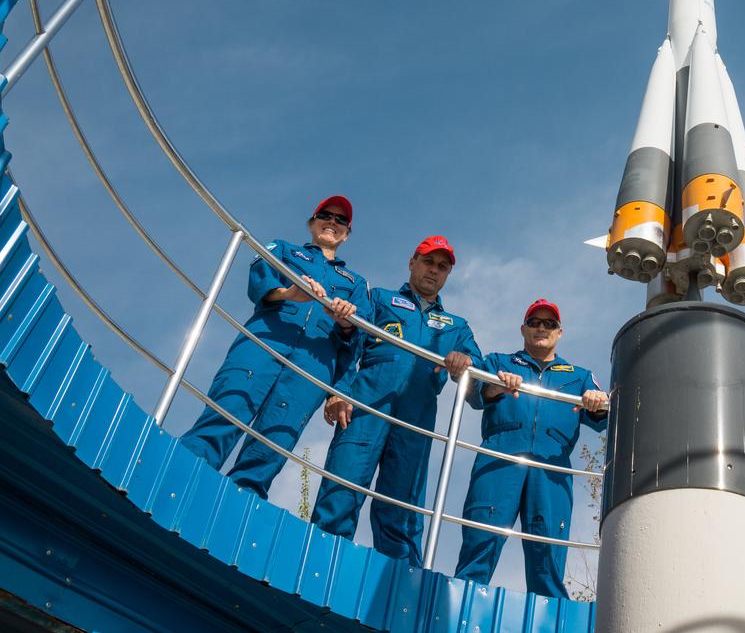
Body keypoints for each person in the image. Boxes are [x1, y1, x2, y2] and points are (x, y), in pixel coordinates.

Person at [181, 196, 370, 497]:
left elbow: (357, 340)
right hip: (264, 341)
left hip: (314, 365)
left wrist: (346, 323)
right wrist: (288, 293)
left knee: (272, 444)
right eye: (325, 215)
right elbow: (260, 277)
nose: (332, 222)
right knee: (226, 410)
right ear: (312, 223)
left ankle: (239, 507)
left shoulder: (356, 283)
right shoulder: (283, 249)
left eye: (341, 220)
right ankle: (175, 482)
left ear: (347, 234)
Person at [310, 235, 481, 564]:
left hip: (416, 420)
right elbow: (349, 345)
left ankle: (399, 585)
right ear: (412, 262)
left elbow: (479, 375)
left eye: (442, 267)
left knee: (402, 508)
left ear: (447, 275)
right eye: (428, 262)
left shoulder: (457, 327)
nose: (434, 270)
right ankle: (319, 567)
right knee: (341, 490)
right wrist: (338, 392)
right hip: (365, 407)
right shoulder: (380, 299)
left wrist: (467, 362)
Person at [452, 300, 608, 598]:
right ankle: (457, 606)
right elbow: (472, 392)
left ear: (559, 332)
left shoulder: (579, 376)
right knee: (481, 538)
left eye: (549, 324)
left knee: (548, 552)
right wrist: (495, 386)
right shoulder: (499, 362)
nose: (541, 328)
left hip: (551, 467)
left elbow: (603, 417)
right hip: (500, 456)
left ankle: (550, 616)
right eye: (534, 322)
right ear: (523, 329)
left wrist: (597, 401)